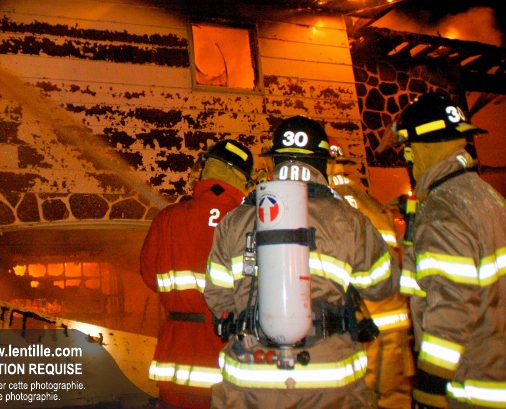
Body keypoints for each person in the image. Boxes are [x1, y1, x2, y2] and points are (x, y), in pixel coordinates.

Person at [204, 115, 400, 408]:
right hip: (330, 383)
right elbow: (382, 285)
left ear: (274, 161)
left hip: (251, 380)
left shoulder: (235, 220)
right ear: (323, 163)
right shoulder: (350, 219)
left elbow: (217, 296)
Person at [392, 92, 506, 408]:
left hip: (482, 383)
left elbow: (451, 306)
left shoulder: (441, 209)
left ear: (414, 151)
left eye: (406, 151)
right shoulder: (485, 196)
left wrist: (431, 383)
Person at [140, 139, 255, 408]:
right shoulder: (251, 222)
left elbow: (149, 276)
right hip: (231, 356)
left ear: (205, 169)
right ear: (243, 179)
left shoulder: (168, 218)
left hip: (177, 359)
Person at [327, 139, 414, 409]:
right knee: (393, 399)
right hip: (393, 327)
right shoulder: (372, 205)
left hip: (358, 329)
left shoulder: (328, 209)